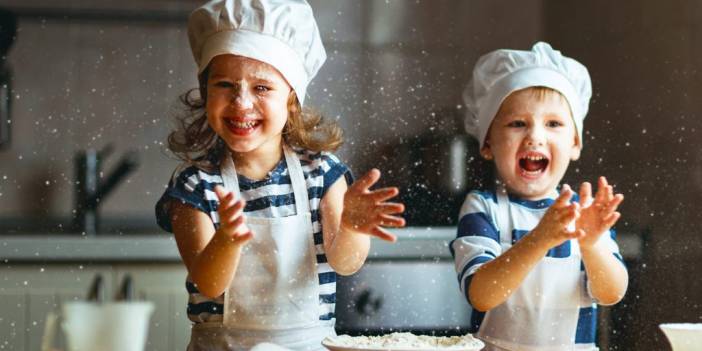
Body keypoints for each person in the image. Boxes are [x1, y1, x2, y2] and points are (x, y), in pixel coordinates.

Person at [155, 1, 405, 350]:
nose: (241, 102)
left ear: (291, 100)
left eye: (262, 88)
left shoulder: (323, 173)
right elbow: (209, 284)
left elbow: (345, 264)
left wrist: (350, 226)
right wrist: (227, 238)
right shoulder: (195, 186)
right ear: (205, 91)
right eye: (225, 84)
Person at [451, 42, 628, 350]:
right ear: (488, 143)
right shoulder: (483, 208)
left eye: (554, 124)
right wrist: (540, 239)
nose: (535, 136)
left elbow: (611, 293)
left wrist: (590, 245)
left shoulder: (585, 215)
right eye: (517, 123)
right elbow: (481, 294)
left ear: (575, 143)